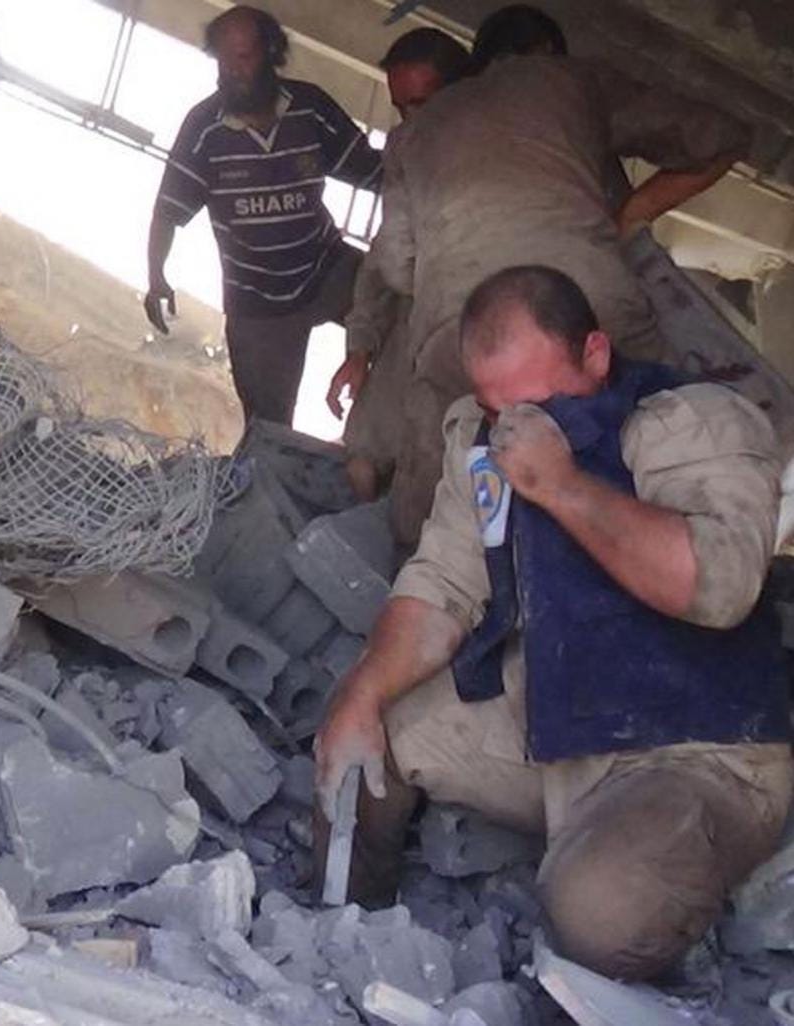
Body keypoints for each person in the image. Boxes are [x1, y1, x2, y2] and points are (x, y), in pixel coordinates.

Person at [313, 265, 792, 980]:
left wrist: (561, 485)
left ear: (595, 354)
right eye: (497, 405)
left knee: (598, 910)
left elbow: (716, 587)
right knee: (364, 749)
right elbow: (443, 583)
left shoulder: (691, 421)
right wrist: (360, 696)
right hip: (554, 719)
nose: (519, 427)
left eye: (540, 402)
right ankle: (338, 949)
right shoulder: (480, 438)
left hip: (696, 747)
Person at [368, 5, 750, 544]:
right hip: (588, 305)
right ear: (549, 53)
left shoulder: (415, 132)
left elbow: (395, 263)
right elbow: (722, 135)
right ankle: (697, 563)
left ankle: (411, 581)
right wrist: (629, 217)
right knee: (665, 441)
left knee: (431, 492)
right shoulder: (573, 81)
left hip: (462, 333)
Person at [145, 5, 382, 426]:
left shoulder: (311, 109)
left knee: (400, 312)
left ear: (272, 53)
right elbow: (168, 211)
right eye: (222, 59)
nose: (231, 70)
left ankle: (377, 436)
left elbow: (376, 174)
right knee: (267, 429)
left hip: (328, 271)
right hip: (256, 302)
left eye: (243, 56)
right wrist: (156, 276)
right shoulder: (203, 130)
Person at [327, 28, 471, 501]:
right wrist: (360, 347)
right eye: (402, 108)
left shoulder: (508, 154)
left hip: (478, 330)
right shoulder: (405, 149)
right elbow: (383, 257)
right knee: (363, 457)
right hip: (413, 320)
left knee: (439, 482)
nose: (411, 121)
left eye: (423, 105)